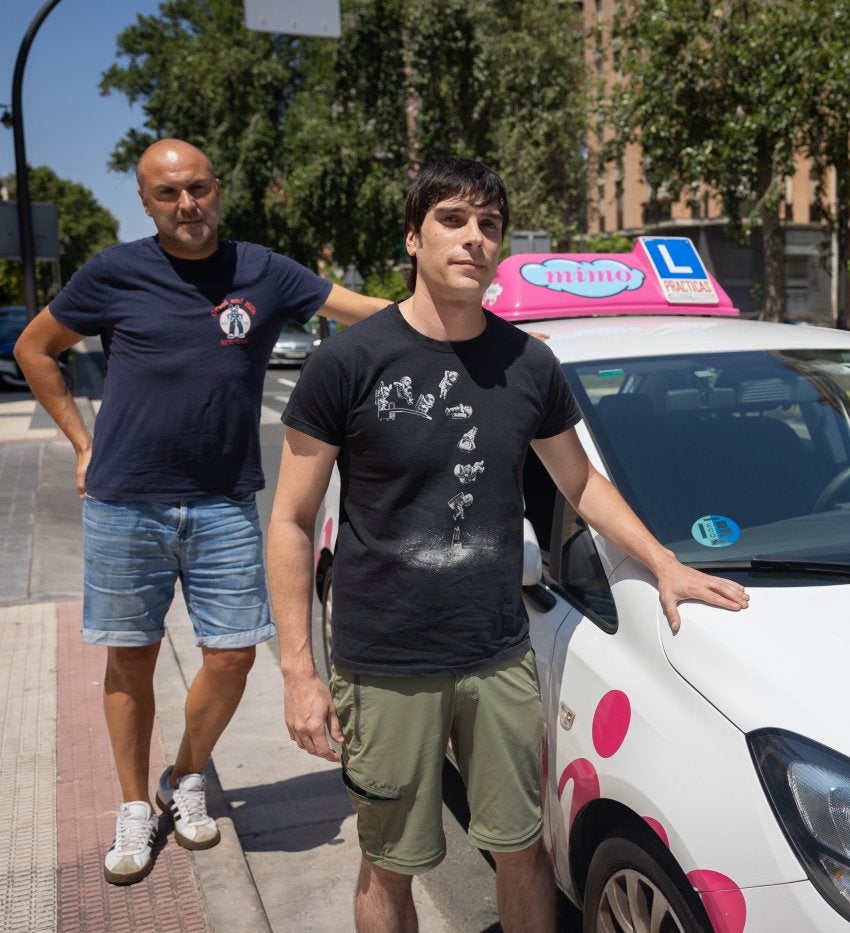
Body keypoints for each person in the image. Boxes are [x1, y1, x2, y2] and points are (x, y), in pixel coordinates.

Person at [266, 157, 749, 932]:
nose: (474, 238)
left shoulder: (528, 363)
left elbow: (580, 483)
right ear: (413, 237)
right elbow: (290, 521)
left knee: (523, 851)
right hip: (384, 663)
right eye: (453, 220)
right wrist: (299, 671)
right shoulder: (347, 362)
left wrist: (664, 562)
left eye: (489, 224)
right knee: (389, 863)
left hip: (498, 657)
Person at [14, 138, 389, 886]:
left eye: (198, 188)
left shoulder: (263, 270)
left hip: (223, 502)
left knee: (233, 654)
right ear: (146, 202)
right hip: (126, 502)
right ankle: (133, 804)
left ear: (218, 188)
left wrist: (483, 324)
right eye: (168, 193)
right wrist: (83, 443)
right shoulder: (113, 272)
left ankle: (184, 775)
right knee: (131, 657)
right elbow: (35, 348)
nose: (186, 204)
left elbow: (368, 314)